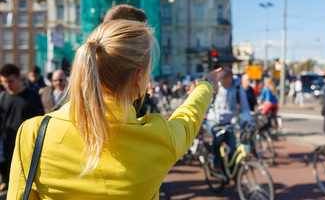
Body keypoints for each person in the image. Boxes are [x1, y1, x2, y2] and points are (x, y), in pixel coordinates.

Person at [8, 19, 221, 199]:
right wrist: (206, 85)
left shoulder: (34, 133)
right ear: (139, 79)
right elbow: (188, 117)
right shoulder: (161, 138)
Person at [0, 64, 44, 191]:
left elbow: (40, 121)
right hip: (7, 145)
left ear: (19, 78)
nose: (7, 85)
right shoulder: (3, 97)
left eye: (10, 81)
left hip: (27, 145)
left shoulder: (32, 96)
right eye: (3, 82)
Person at [206, 67, 253, 171]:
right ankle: (215, 162)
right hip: (213, 120)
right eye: (219, 78)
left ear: (229, 78)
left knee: (232, 147)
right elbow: (207, 105)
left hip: (227, 122)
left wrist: (250, 121)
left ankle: (232, 171)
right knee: (219, 136)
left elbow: (245, 107)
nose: (220, 80)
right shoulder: (216, 88)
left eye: (222, 78)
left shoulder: (237, 89)